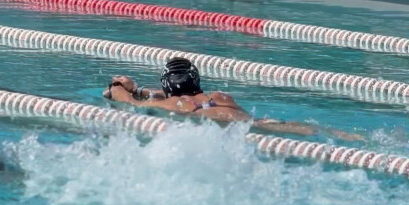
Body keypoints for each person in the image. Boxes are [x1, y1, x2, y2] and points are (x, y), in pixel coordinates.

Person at [103, 57, 365, 141]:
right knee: (299, 130)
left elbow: (124, 100)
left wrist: (121, 84)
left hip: (224, 129)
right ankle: (351, 137)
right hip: (249, 121)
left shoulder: (170, 104)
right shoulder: (218, 96)